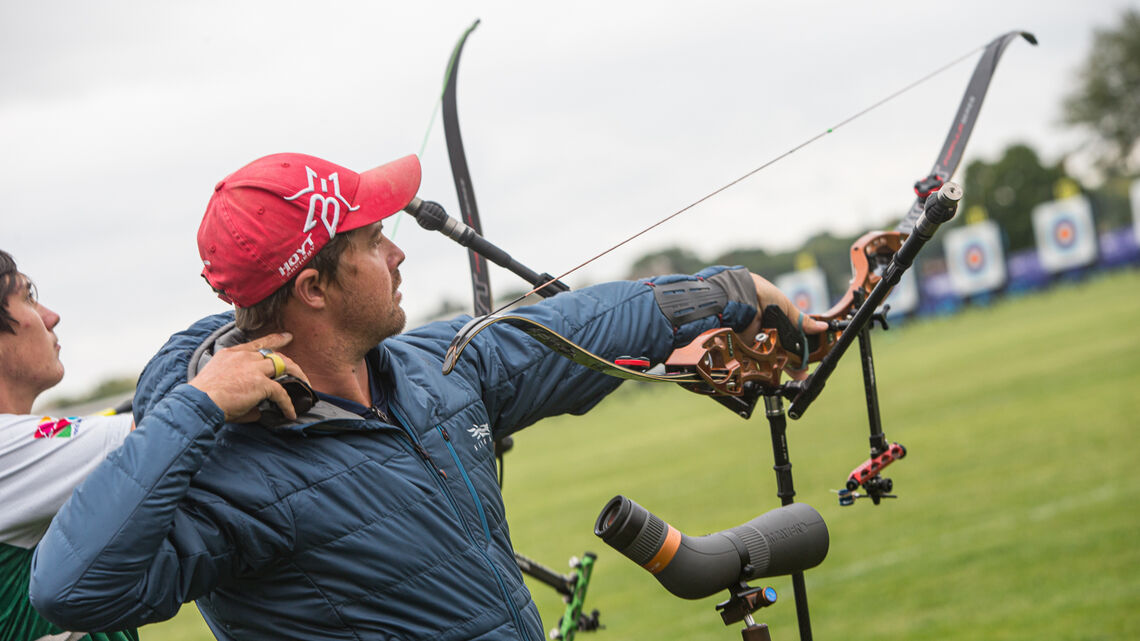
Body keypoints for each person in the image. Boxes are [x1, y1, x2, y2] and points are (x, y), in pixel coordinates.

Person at [29, 152, 828, 640]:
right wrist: (198, 409)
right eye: (374, 241)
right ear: (313, 286)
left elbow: (565, 327)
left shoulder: (427, 367)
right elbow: (70, 587)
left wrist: (728, 292)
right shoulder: (227, 469)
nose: (397, 252)